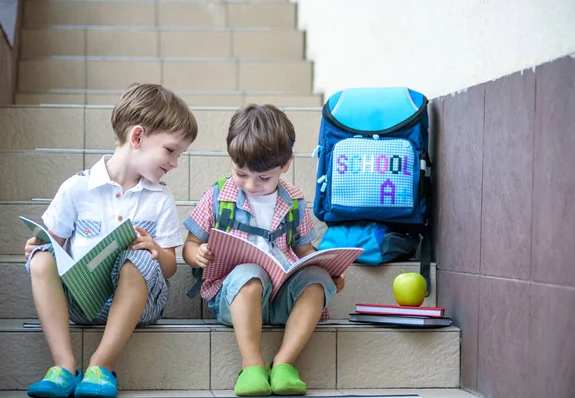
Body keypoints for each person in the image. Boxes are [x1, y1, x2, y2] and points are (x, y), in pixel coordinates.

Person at [24, 83, 198, 398]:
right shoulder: (77, 188)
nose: (174, 163)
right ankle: (63, 367)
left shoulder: (160, 198)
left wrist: (155, 250)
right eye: (171, 150)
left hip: (140, 304)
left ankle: (101, 366)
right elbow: (53, 243)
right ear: (137, 137)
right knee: (42, 258)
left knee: (140, 257)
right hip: (80, 303)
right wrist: (38, 246)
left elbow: (171, 267)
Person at [182, 104, 345, 396]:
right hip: (236, 298)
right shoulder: (219, 196)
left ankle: (284, 364)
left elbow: (304, 249)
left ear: (286, 164)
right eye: (240, 173)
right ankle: (252, 366)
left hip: (281, 297)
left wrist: (329, 270)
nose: (251, 184)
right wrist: (196, 254)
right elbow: (190, 244)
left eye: (264, 178)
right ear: (231, 158)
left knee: (316, 280)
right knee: (250, 273)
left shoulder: (294, 201)